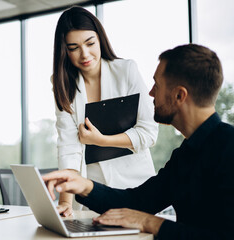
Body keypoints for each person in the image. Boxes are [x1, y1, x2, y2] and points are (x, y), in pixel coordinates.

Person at [44, 43, 234, 239]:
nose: (151, 93)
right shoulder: (186, 153)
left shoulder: (229, 148)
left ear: (179, 95)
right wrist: (84, 186)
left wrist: (149, 222)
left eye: (157, 85)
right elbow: (138, 201)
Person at [52, 6, 158, 216]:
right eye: (73, 47)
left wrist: (102, 140)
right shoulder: (62, 84)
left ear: (100, 39)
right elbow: (68, 145)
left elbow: (149, 133)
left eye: (90, 43)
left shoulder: (126, 70)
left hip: (135, 186)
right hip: (93, 194)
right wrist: (66, 200)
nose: (85, 54)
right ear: (64, 50)